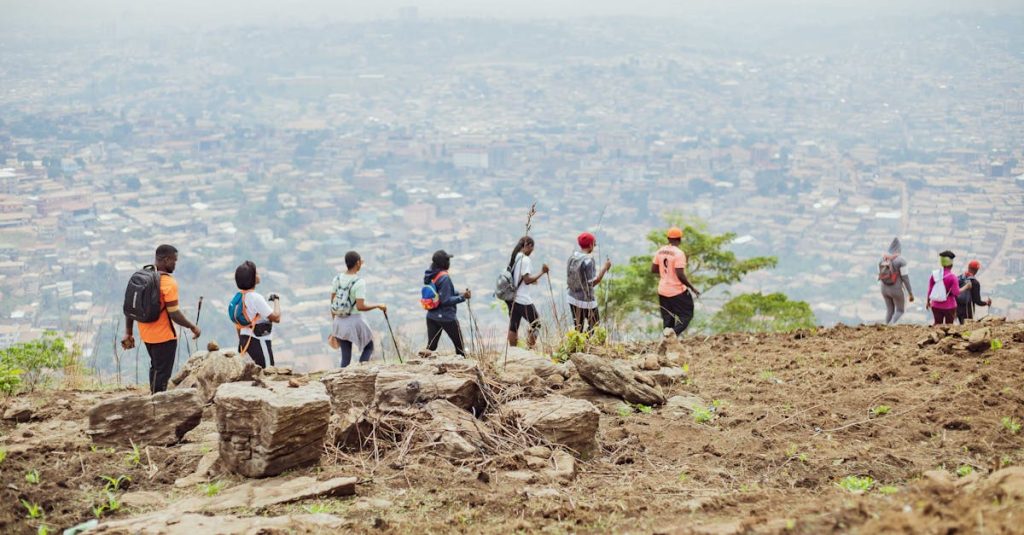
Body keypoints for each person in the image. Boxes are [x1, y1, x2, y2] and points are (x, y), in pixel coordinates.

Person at [121, 244, 201, 394]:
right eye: (174, 261)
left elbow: (129, 307)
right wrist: (192, 326)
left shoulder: (142, 277)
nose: (175, 264)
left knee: (156, 368)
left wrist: (129, 332)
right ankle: (157, 402)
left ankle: (153, 397)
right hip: (164, 337)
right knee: (162, 375)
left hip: (147, 335)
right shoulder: (169, 283)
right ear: (166, 260)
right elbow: (174, 313)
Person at [330, 251, 387, 367]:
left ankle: (342, 380)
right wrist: (378, 305)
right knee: (369, 347)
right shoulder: (359, 282)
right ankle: (362, 371)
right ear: (357, 263)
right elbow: (360, 306)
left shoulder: (337, 279)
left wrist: (335, 323)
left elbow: (333, 301)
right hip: (354, 320)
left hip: (339, 321)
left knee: (346, 357)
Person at [651, 227, 700, 336]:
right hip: (677, 291)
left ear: (668, 238)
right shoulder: (679, 253)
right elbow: (680, 274)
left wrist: (666, 274)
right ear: (680, 239)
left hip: (663, 290)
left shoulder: (660, 251)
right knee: (686, 315)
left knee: (668, 319)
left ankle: (667, 340)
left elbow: (653, 269)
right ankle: (672, 335)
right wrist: (692, 287)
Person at [233, 260, 281, 368]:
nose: (259, 275)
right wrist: (277, 300)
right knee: (268, 373)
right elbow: (276, 317)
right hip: (259, 342)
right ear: (253, 278)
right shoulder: (255, 297)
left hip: (244, 340)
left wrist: (241, 341)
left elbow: (237, 323)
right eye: (257, 273)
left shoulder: (239, 296)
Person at [423, 249, 471, 356]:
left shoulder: (432, 275)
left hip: (432, 316)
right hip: (446, 317)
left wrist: (460, 293)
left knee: (431, 346)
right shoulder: (444, 277)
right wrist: (463, 297)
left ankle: (422, 365)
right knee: (459, 347)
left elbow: (443, 293)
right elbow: (446, 300)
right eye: (447, 260)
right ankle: (463, 367)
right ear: (444, 263)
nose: (449, 263)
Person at [505, 236, 549, 348]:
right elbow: (527, 280)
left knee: (513, 326)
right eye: (532, 249)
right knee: (537, 324)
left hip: (512, 298)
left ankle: (512, 350)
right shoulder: (525, 259)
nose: (531, 252)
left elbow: (519, 278)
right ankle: (530, 348)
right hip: (522, 299)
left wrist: (533, 279)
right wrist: (542, 272)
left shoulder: (516, 257)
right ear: (528, 246)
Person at [566, 232, 611, 333]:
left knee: (578, 327)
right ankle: (587, 342)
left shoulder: (573, 257)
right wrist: (605, 267)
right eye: (594, 244)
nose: (594, 246)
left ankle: (578, 346)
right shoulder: (588, 260)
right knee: (595, 324)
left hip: (572, 297)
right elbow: (593, 282)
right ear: (590, 244)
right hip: (586, 300)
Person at [878, 237, 914, 324]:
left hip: (884, 288)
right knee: (900, 311)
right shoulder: (901, 261)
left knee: (890, 310)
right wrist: (910, 293)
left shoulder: (882, 259)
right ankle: (891, 326)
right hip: (896, 289)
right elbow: (905, 278)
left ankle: (886, 328)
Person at [926, 250, 961, 325]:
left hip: (935, 305)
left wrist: (928, 301)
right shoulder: (953, 277)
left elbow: (930, 289)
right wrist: (966, 287)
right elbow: (956, 293)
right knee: (949, 325)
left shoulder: (934, 274)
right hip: (949, 306)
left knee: (937, 324)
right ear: (951, 264)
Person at [956, 260, 992, 324]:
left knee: (961, 325)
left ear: (968, 267)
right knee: (966, 328)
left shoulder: (959, 278)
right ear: (977, 270)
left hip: (957, 307)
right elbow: (977, 301)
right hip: (968, 309)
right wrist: (986, 303)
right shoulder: (975, 283)